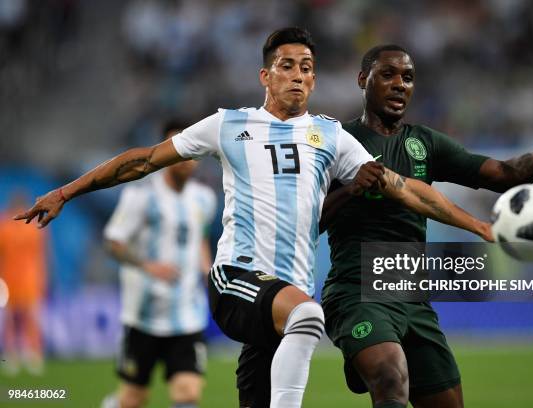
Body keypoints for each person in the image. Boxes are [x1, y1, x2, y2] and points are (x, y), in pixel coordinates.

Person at [15, 29, 492, 408]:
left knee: (288, 339)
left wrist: (480, 227)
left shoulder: (329, 136)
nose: (298, 76)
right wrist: (66, 191)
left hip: (281, 305)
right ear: (266, 76)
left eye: (307, 68)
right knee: (309, 316)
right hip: (237, 279)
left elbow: (408, 190)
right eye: (287, 66)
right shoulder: (229, 124)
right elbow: (141, 161)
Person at [319, 44, 533, 408]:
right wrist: (352, 190)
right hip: (356, 289)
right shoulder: (337, 143)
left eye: (408, 77)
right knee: (390, 374)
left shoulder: (425, 143)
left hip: (411, 295)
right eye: (387, 75)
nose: (400, 84)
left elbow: (507, 175)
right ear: (362, 80)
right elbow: (311, 219)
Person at [100, 120, 216, 408]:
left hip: (187, 316)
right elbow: (113, 242)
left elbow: (197, 237)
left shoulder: (205, 199)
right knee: (133, 398)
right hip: (143, 317)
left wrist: (207, 269)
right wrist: (147, 265)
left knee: (188, 393)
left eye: (190, 151)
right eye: (177, 149)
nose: (184, 158)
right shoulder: (140, 196)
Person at [0, 191, 48, 376]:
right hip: (24, 278)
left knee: (17, 319)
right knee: (25, 318)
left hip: (16, 278)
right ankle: (29, 356)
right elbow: (44, 255)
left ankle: (19, 356)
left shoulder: (6, 225)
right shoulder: (32, 226)